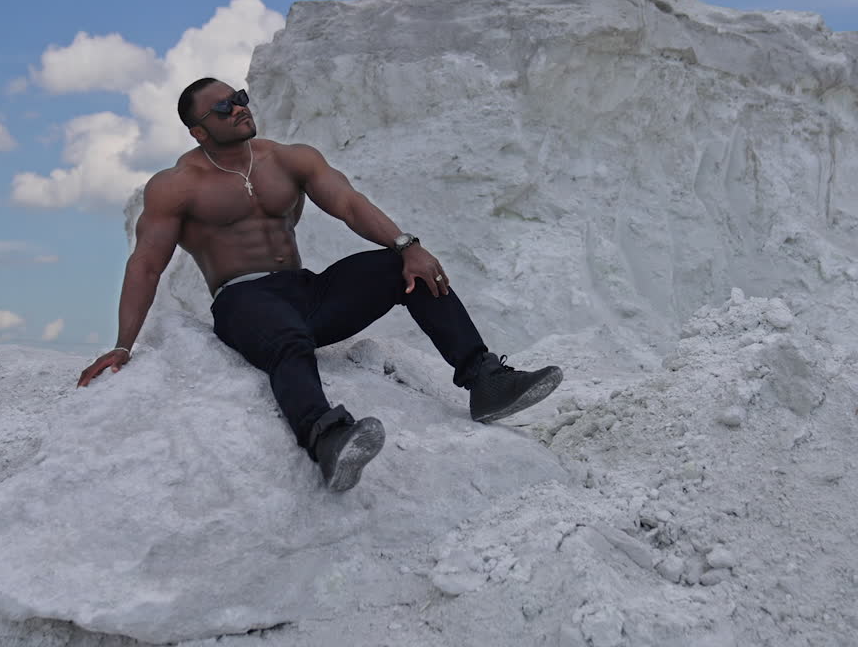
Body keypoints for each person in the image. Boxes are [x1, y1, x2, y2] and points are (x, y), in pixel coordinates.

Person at [78, 77, 562, 491]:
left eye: (240, 97)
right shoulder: (176, 185)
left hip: (305, 291)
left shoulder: (288, 159)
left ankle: (485, 380)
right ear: (199, 130)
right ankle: (326, 438)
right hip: (243, 300)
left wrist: (407, 245)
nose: (240, 108)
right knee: (286, 338)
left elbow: (348, 204)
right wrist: (123, 345)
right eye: (224, 108)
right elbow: (146, 265)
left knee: (401, 268)